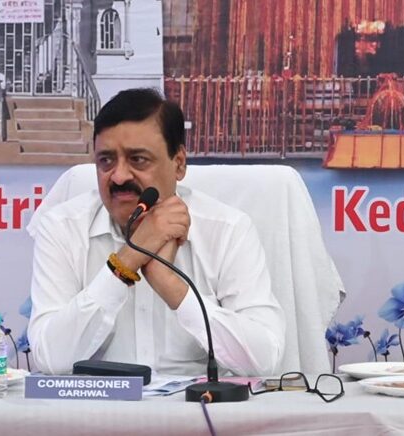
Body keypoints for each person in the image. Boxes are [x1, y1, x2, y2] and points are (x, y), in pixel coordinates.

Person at [28, 88, 285, 376]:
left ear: (179, 164)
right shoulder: (61, 228)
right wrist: (126, 262)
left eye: (138, 159)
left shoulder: (227, 230)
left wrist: (169, 283)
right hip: (99, 402)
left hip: (196, 403)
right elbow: (50, 360)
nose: (119, 176)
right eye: (106, 161)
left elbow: (264, 361)